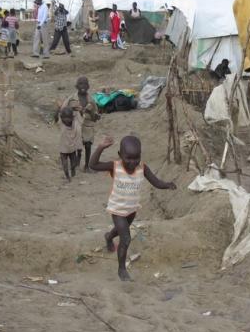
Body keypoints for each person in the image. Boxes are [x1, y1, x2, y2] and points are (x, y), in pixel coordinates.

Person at [90, 135, 176, 281]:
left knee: (118, 231)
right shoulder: (115, 166)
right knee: (126, 238)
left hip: (132, 210)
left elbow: (156, 182)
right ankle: (122, 269)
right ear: (120, 155)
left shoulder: (142, 168)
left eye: (136, 158)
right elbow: (93, 165)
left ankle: (108, 237)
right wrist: (100, 148)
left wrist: (167, 184)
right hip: (117, 210)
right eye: (128, 158)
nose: (132, 162)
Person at [67, 76, 100, 169]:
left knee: (88, 144)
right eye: (80, 83)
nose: (83, 86)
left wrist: (93, 114)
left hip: (87, 125)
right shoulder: (72, 99)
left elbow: (95, 115)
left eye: (85, 84)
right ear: (76, 86)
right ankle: (77, 159)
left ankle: (86, 166)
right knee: (76, 144)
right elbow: (66, 111)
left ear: (88, 86)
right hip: (76, 124)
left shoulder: (91, 100)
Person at [55, 105, 83, 182]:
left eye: (68, 118)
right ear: (61, 117)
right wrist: (58, 109)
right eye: (64, 118)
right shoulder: (61, 124)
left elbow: (80, 116)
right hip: (63, 149)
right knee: (65, 165)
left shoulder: (75, 123)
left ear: (72, 117)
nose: (66, 120)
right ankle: (68, 177)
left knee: (73, 164)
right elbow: (55, 118)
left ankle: (73, 173)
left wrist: (77, 109)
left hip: (72, 148)